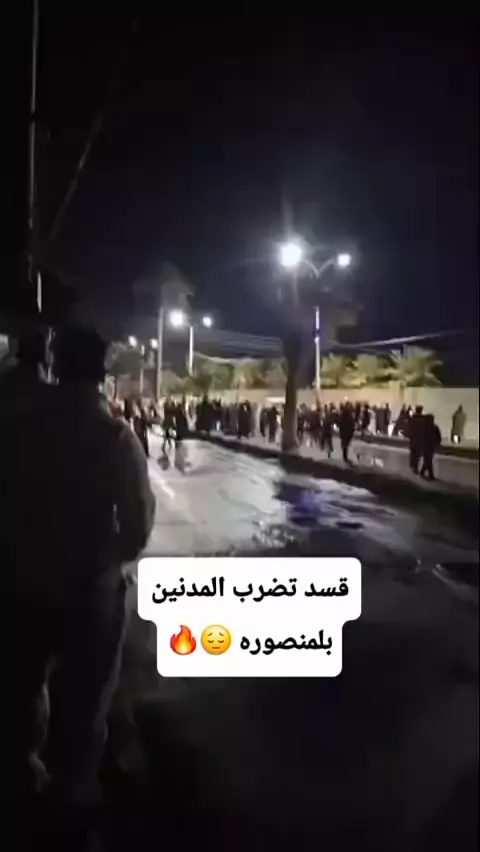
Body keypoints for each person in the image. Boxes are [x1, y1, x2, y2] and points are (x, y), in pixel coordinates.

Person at [0, 325, 155, 834]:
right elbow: (137, 525)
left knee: (23, 684)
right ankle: (74, 788)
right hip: (90, 590)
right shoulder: (114, 435)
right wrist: (104, 563)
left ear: (54, 365)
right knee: (88, 694)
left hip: (22, 582)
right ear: (102, 371)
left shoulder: (18, 428)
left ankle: (22, 775)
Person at [420, 414, 442, 480]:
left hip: (425, 445)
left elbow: (420, 436)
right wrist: (437, 444)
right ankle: (430, 475)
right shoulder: (434, 427)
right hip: (431, 446)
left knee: (427, 459)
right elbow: (438, 437)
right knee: (428, 460)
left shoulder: (423, 427)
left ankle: (423, 472)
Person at [406, 405, 425, 474]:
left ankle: (413, 465)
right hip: (420, 439)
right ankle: (415, 466)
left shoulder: (412, 419)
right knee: (417, 454)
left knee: (413, 453)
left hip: (413, 439)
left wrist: (409, 435)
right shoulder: (423, 419)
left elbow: (408, 428)